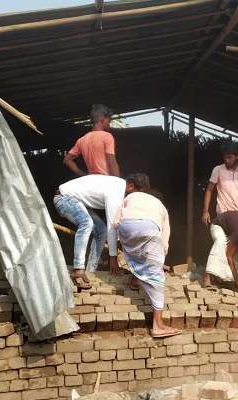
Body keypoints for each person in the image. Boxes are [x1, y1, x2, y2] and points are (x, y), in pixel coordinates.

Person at [112, 173, 180, 338]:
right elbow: (164, 241)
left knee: (136, 254)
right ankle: (158, 325)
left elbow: (115, 223)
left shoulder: (130, 197)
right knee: (156, 276)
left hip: (126, 228)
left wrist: (113, 255)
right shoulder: (161, 207)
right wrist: (159, 263)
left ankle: (136, 280)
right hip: (148, 227)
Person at [53, 174, 125, 289]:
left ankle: (91, 271)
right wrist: (113, 257)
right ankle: (78, 269)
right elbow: (112, 226)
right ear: (131, 187)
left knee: (101, 231)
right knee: (86, 223)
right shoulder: (116, 193)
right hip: (64, 198)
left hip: (78, 202)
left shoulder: (120, 185)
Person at [202, 141, 238, 225]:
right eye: (225, 157)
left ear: (237, 156)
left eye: (229, 157)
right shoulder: (218, 170)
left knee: (234, 237)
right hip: (221, 214)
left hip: (237, 215)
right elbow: (209, 190)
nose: (226, 160)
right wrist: (205, 211)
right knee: (221, 238)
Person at [63, 104, 120, 177]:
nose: (109, 124)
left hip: (92, 180)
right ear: (102, 119)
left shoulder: (81, 140)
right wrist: (118, 182)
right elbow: (111, 161)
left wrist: (83, 175)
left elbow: (67, 160)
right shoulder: (107, 136)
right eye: (109, 121)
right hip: (106, 180)